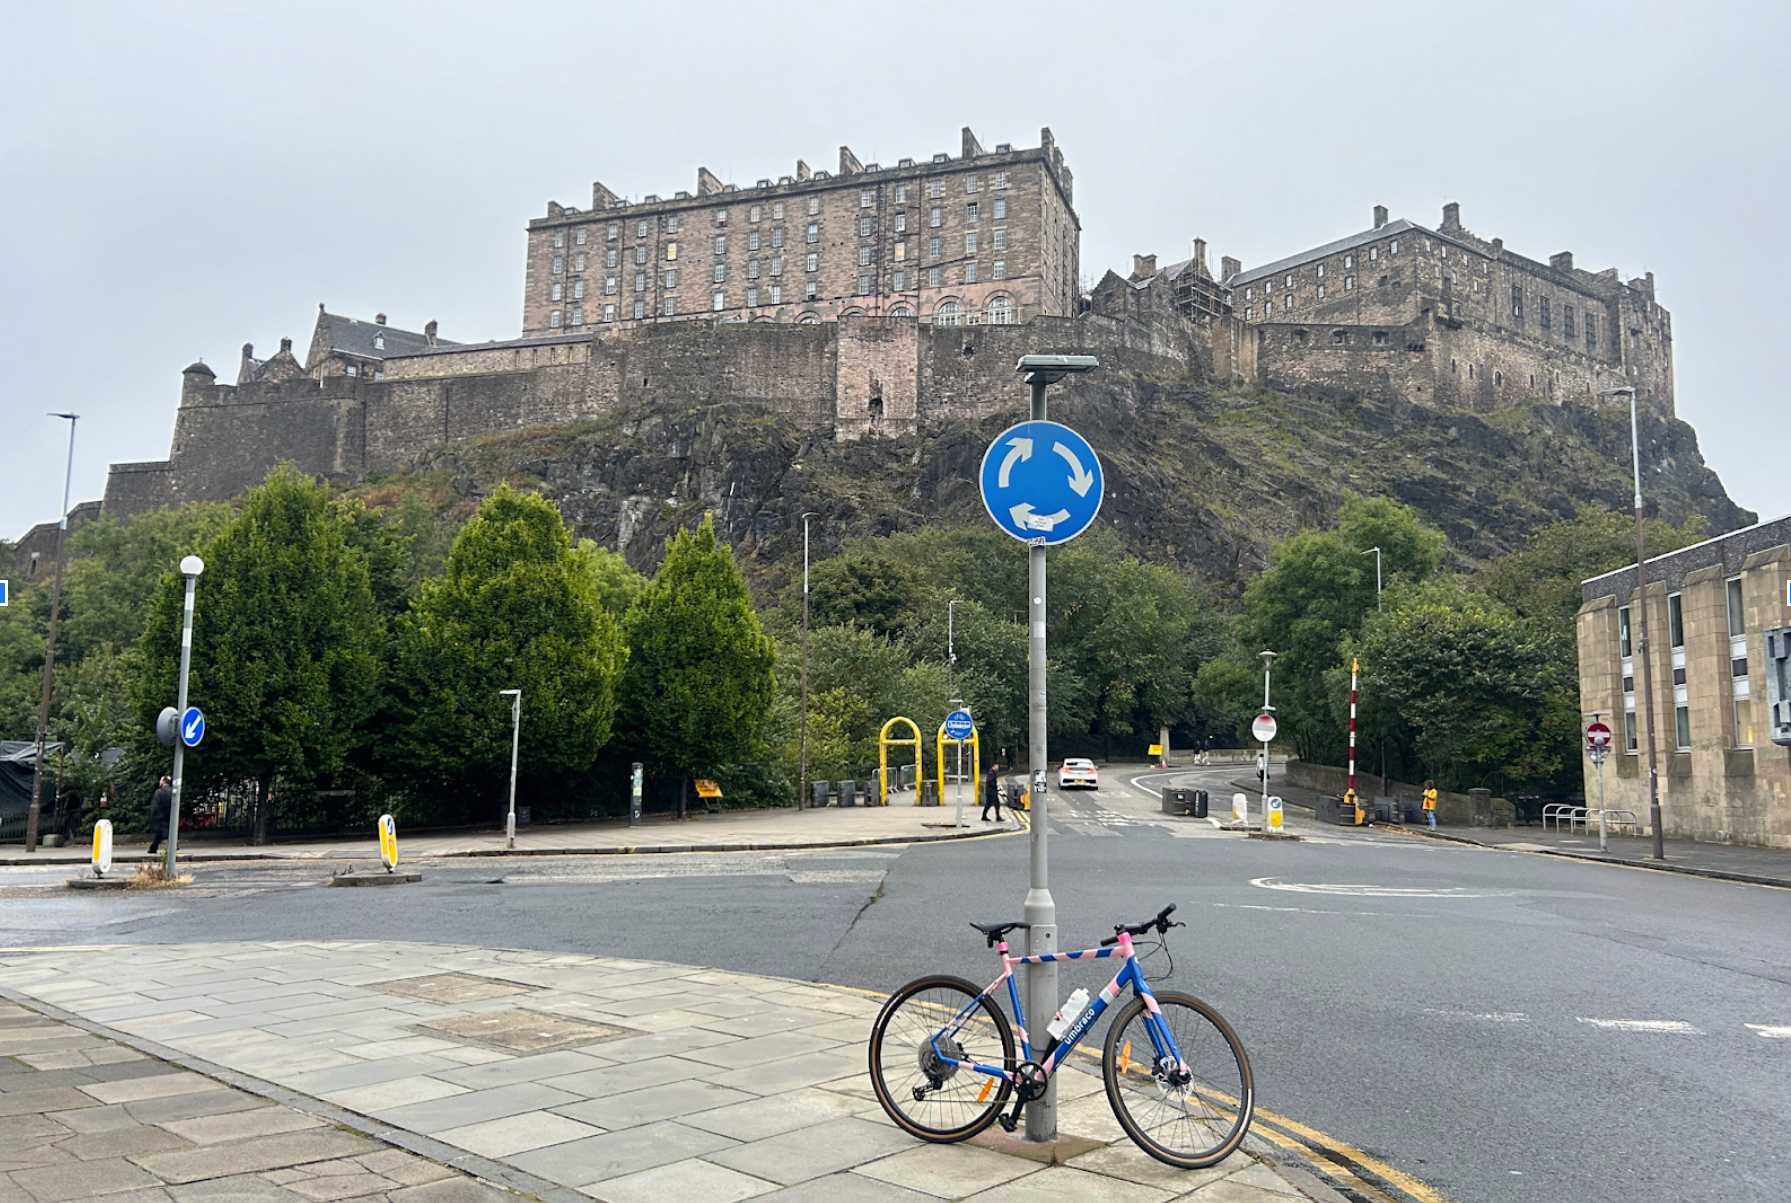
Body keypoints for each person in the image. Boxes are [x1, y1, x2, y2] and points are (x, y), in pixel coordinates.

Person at [147, 776, 172, 855]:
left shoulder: (159, 792)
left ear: (163, 782)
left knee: (164, 830)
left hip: (160, 815)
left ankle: (173, 845)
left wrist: (154, 813)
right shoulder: (173, 791)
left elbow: (155, 805)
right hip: (170, 814)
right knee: (159, 832)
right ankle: (153, 848)